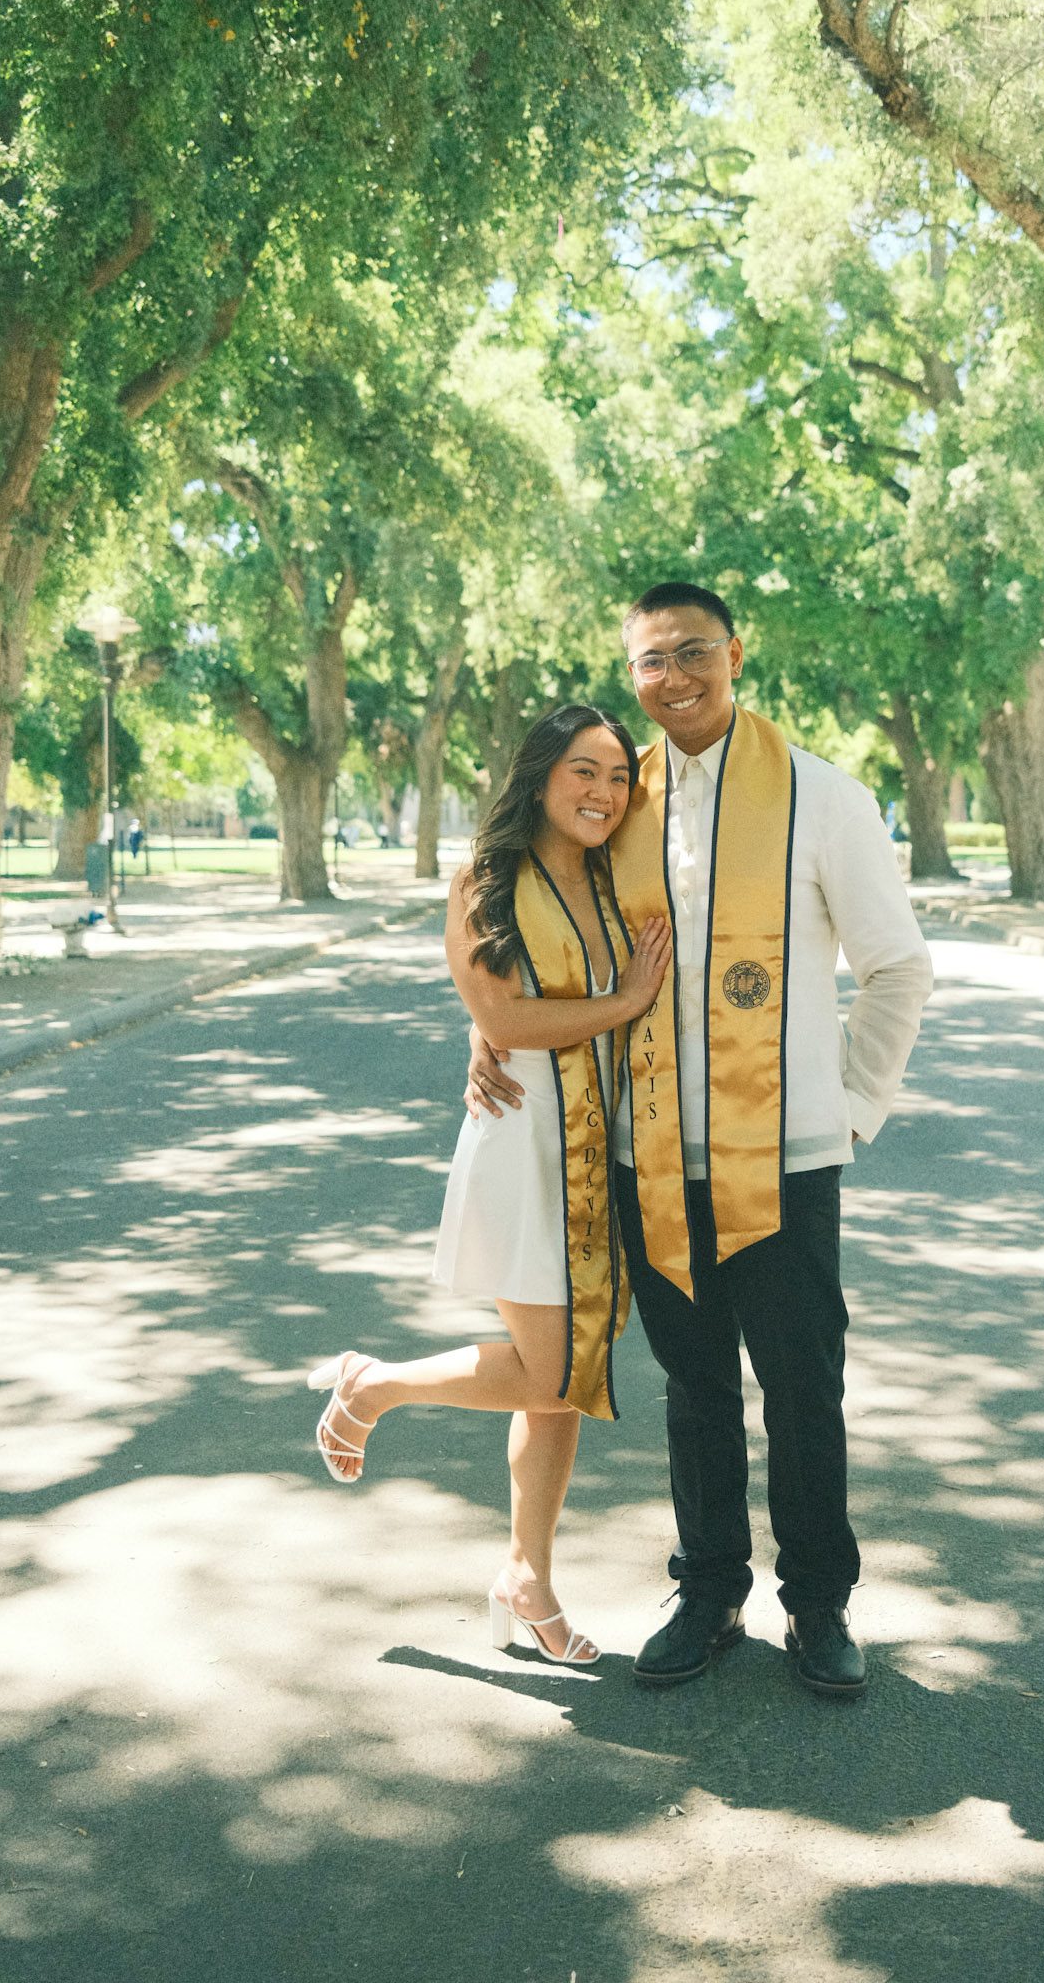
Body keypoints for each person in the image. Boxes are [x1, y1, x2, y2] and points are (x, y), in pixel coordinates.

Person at [467, 585, 934, 1697]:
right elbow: (534, 928)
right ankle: (711, 1588)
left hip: (783, 1158)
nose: (671, 677)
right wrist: (487, 1028)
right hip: (654, 1154)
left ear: (735, 653)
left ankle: (817, 1603)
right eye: (650, 660)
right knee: (695, 1385)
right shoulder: (615, 801)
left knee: (802, 1386)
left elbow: (897, 968)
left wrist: (849, 1108)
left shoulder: (822, 798)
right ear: (630, 672)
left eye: (692, 652)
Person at [307, 704, 670, 1667]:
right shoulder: (484, 878)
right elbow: (505, 1017)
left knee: (560, 1389)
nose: (603, 792)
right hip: (522, 1142)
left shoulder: (615, 876)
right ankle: (373, 1385)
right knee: (554, 1373)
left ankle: (526, 1576)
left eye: (618, 777)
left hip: (599, 1146)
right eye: (583, 771)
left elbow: (533, 1012)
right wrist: (619, 1002)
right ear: (541, 776)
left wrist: (591, 1013)